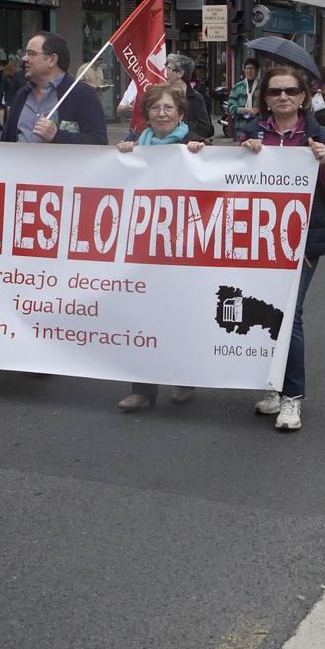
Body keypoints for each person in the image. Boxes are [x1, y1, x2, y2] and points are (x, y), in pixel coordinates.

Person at [239, 64, 325, 430]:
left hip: (302, 241)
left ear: (303, 97)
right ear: (265, 99)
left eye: (289, 91)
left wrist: (323, 161)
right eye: (274, 92)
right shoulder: (252, 134)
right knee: (264, 314)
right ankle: (272, 387)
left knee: (290, 315)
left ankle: (292, 398)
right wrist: (243, 152)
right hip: (257, 239)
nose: (282, 97)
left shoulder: (317, 136)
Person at [114, 83, 208, 412]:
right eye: (155, 108)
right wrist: (124, 155)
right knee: (143, 314)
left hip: (183, 244)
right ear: (147, 114)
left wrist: (201, 153)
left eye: (168, 108)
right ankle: (141, 389)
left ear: (180, 113)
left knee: (179, 313)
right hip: (146, 242)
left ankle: (184, 376)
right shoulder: (139, 144)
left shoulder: (192, 142)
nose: (162, 113)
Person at [0, 31, 109, 145]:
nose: (24, 58)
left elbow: (99, 142)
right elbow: (6, 143)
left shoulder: (82, 95)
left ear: (52, 60)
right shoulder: (21, 96)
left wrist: (57, 136)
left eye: (31, 54)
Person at [228, 60, 261, 139]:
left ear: (257, 71)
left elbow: (269, 106)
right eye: (247, 68)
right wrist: (238, 110)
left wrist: (259, 109)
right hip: (241, 127)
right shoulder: (237, 87)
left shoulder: (263, 87)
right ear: (244, 70)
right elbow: (230, 106)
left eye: (252, 68)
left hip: (259, 126)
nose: (249, 71)